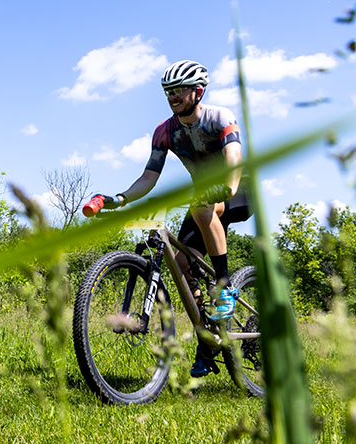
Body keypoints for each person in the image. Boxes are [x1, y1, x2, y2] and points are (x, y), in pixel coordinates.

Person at [96, 60, 251, 377]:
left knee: (201, 207)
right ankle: (207, 342)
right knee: (181, 263)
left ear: (198, 91)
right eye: (168, 91)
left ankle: (225, 288)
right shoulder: (165, 132)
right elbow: (149, 176)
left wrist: (228, 185)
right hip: (203, 200)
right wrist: (120, 198)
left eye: (180, 90)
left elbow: (233, 158)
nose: (173, 96)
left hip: (237, 191)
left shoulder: (219, 117)